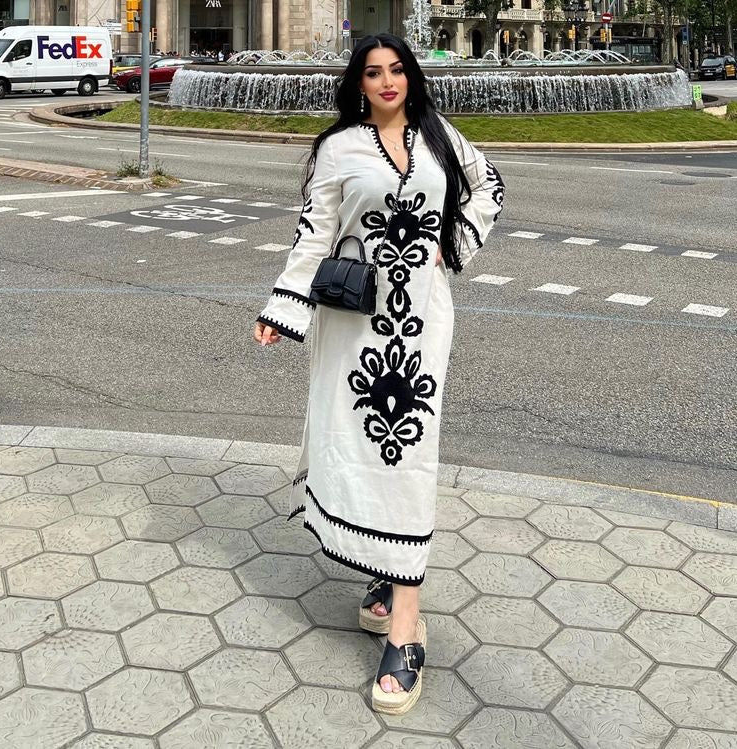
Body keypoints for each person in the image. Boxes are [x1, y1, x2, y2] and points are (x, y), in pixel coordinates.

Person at [254, 32, 504, 714]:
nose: (388, 81)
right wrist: (283, 306)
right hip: (352, 323)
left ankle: (406, 629)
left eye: (397, 69)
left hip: (421, 322)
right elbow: (313, 232)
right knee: (358, 446)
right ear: (358, 83)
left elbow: (490, 185)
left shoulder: (440, 136)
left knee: (407, 454)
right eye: (373, 72)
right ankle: (385, 579)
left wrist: (453, 243)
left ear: (411, 75)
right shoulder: (338, 148)